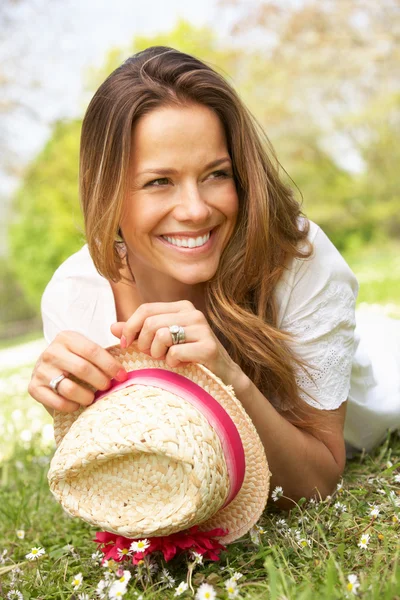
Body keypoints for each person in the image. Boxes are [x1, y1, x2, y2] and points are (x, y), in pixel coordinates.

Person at [28, 46, 400, 508]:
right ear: (108, 194)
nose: (195, 209)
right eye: (159, 181)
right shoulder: (74, 296)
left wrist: (229, 376)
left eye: (216, 174)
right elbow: (122, 476)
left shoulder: (298, 257)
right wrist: (65, 407)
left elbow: (318, 481)